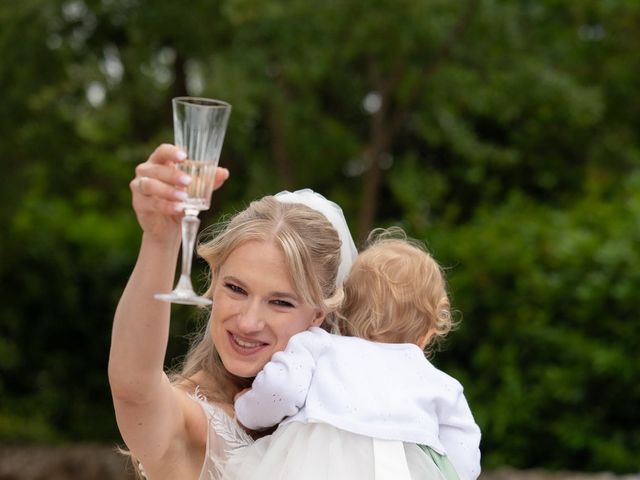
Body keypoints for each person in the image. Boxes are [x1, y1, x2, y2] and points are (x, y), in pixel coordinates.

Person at [108, 143, 358, 480]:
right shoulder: (192, 425)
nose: (248, 322)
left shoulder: (349, 415)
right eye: (236, 289)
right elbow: (133, 388)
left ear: (318, 315)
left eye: (280, 302)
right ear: (214, 281)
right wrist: (160, 239)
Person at [227, 230, 482, 480]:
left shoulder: (319, 345)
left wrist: (246, 409)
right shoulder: (442, 385)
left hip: (312, 466)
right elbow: (463, 455)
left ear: (343, 312)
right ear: (428, 333)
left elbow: (281, 390)